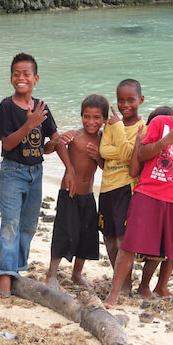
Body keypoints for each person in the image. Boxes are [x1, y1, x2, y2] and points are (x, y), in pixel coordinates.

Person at [104, 80, 173, 308]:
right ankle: (113, 294)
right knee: (130, 245)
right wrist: (166, 142)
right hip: (148, 194)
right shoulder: (161, 123)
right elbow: (143, 153)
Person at [0, 52, 73, 300]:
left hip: (35, 173)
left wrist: (65, 156)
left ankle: (16, 268)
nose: (21, 78)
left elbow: (49, 145)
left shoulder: (42, 107)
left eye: (26, 74)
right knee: (9, 224)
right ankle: (5, 277)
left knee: (28, 225)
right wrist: (29, 124)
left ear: (35, 78)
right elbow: (7, 145)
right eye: (16, 74)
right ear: (11, 79)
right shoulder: (7, 106)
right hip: (12, 172)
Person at [45, 94, 109, 290]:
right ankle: (51, 275)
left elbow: (106, 167)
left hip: (88, 195)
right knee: (64, 232)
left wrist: (97, 157)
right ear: (81, 116)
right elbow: (47, 149)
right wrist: (57, 141)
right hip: (69, 193)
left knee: (87, 235)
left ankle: (77, 274)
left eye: (96, 117)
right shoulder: (74, 135)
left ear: (104, 120)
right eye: (86, 116)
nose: (91, 121)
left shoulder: (103, 140)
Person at [98, 79, 145, 293]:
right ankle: (120, 278)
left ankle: (126, 282)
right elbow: (103, 151)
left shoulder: (143, 127)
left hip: (127, 188)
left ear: (141, 100)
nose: (125, 105)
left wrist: (117, 127)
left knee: (123, 238)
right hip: (107, 188)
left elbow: (128, 155)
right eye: (120, 100)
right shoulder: (111, 123)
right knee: (108, 236)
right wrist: (124, 145)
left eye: (130, 100)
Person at [129, 106, 173, 300]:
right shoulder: (147, 149)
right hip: (148, 200)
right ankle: (144, 285)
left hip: (171, 201)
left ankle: (161, 286)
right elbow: (134, 171)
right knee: (155, 251)